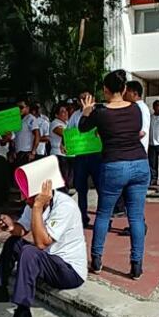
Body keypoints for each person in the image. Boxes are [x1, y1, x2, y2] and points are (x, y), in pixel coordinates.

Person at [0, 178, 87, 317]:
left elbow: (42, 243)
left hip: (70, 272)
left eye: (28, 198)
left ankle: (23, 312)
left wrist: (37, 207)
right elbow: (22, 230)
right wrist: (10, 226)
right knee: (14, 242)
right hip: (50, 262)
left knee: (30, 252)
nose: (25, 201)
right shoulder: (34, 204)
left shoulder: (64, 206)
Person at [78, 69, 151, 280]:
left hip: (114, 164)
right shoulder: (136, 109)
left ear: (105, 90)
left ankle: (97, 260)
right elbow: (135, 131)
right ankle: (136, 266)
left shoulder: (101, 113)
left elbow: (83, 128)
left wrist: (87, 111)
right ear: (125, 88)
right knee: (136, 216)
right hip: (139, 162)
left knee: (103, 214)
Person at [68, 90, 101, 227]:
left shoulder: (98, 113)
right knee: (81, 189)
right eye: (81, 98)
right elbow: (69, 132)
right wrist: (66, 144)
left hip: (96, 155)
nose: (84, 100)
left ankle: (103, 219)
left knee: (101, 188)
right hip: (80, 156)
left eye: (86, 98)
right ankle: (83, 217)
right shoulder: (75, 116)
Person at [12, 99, 40, 167]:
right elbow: (14, 138)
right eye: (17, 107)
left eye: (21, 107)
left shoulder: (31, 118)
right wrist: (13, 151)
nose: (19, 109)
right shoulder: (17, 120)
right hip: (18, 153)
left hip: (27, 153)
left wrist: (33, 152)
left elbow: (37, 135)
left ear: (27, 108)